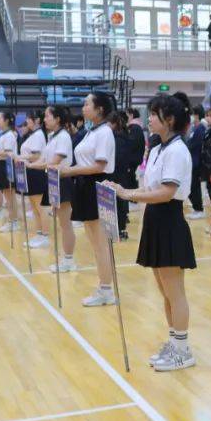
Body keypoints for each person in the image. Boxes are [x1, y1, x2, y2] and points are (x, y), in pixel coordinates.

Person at [112, 94, 198, 372]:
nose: (148, 118)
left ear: (169, 119)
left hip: (169, 219)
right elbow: (151, 188)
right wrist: (128, 192)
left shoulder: (176, 150)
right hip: (155, 218)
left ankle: (183, 349)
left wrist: (127, 194)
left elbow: (167, 192)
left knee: (175, 291)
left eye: (153, 114)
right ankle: (174, 342)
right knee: (164, 290)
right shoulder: (160, 147)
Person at [57, 92, 118, 308]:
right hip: (84, 185)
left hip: (96, 185)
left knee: (100, 243)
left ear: (99, 109)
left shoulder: (104, 133)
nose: (83, 107)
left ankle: (106, 290)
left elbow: (99, 166)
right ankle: (103, 287)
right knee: (94, 242)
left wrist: (70, 171)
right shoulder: (91, 131)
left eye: (87, 104)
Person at [28, 106, 77, 272]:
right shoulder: (52, 136)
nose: (45, 119)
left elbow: (54, 162)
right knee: (61, 223)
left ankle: (69, 259)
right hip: (53, 180)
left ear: (57, 119)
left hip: (62, 180)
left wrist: (32, 165)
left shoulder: (63, 137)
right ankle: (65, 258)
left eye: (48, 116)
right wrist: (32, 164)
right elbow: (45, 159)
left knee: (65, 223)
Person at [14, 109, 50, 248]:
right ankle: (39, 234)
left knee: (40, 206)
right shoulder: (33, 134)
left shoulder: (39, 134)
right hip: (29, 171)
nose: (27, 121)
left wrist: (21, 157)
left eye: (29, 118)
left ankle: (45, 236)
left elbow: (36, 155)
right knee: (34, 207)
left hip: (36, 172)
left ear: (37, 120)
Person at [0, 111, 20, 234]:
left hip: (7, 165)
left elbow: (8, 153)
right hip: (1, 165)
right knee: (8, 196)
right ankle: (12, 220)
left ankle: (14, 222)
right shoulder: (3, 135)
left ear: (7, 121)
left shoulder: (10, 135)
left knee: (10, 196)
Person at [106, 112, 132, 240]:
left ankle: (121, 230)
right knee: (115, 203)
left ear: (114, 124)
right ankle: (115, 228)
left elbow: (118, 159)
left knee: (120, 203)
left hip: (119, 175)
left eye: (108, 123)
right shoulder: (113, 137)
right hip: (115, 175)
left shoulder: (119, 138)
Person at [186, 104, 206, 219]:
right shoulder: (194, 128)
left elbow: (196, 145)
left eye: (192, 114)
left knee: (194, 186)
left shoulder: (200, 128)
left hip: (196, 161)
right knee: (192, 185)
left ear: (197, 115)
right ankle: (196, 207)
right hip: (192, 160)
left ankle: (199, 209)